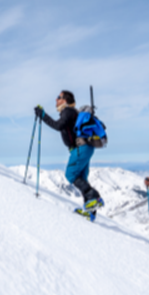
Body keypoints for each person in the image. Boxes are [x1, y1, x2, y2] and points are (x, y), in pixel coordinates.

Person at [35, 90, 104, 219]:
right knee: (82, 178)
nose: (56, 100)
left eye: (58, 97)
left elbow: (58, 125)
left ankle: (94, 196)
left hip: (80, 148)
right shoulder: (74, 112)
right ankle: (90, 212)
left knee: (70, 174)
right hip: (86, 147)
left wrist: (43, 115)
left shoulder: (67, 112)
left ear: (65, 100)